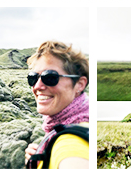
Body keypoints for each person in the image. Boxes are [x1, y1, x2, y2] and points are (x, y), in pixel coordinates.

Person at [24, 41, 88, 169]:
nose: (37, 86)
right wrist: (43, 159)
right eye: (33, 77)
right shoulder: (60, 130)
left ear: (80, 84)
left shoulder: (71, 146)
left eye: (50, 77)